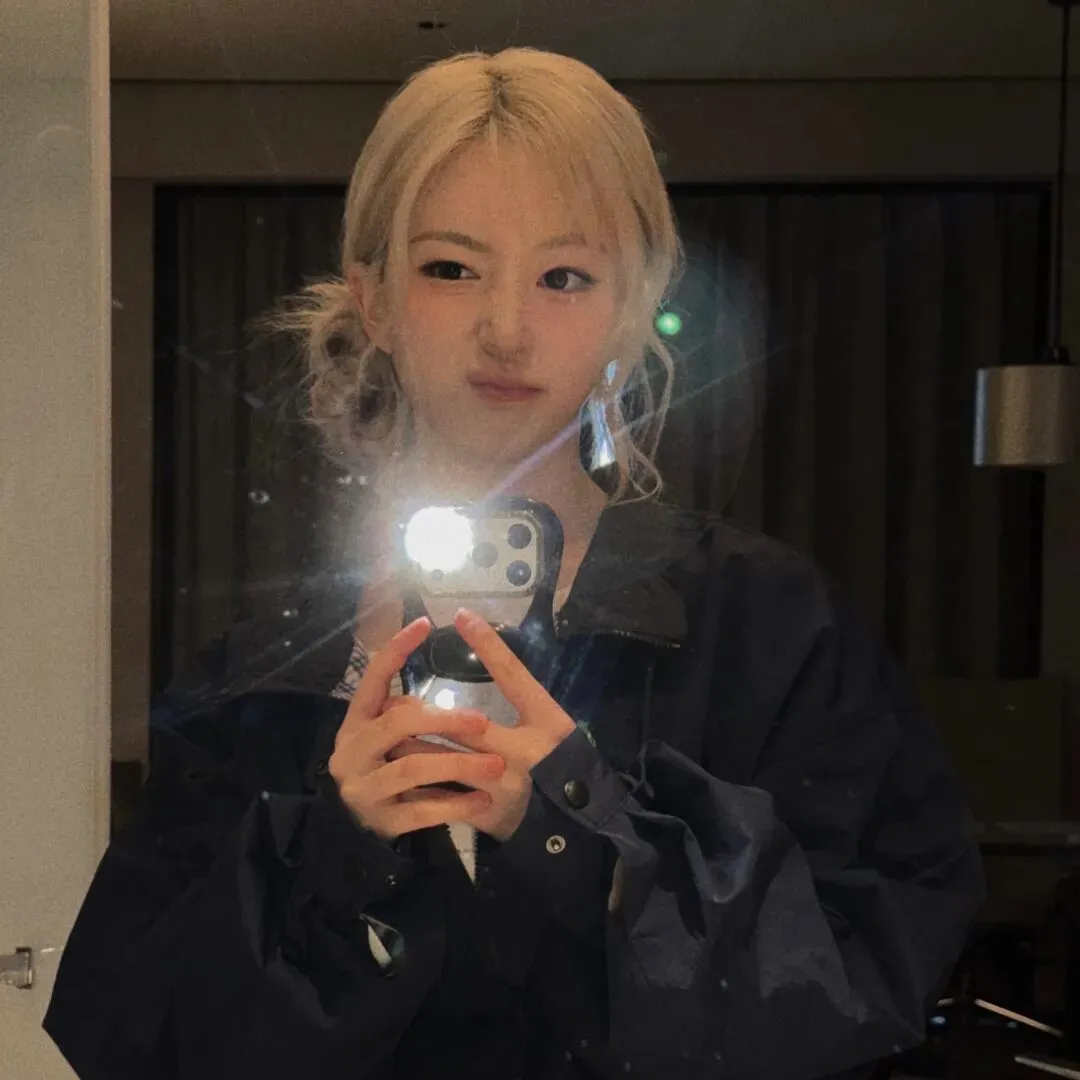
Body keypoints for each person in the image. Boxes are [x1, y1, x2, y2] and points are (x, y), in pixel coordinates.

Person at [44, 47, 983, 1080]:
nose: (506, 329)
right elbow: (130, 1032)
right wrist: (337, 854)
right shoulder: (264, 675)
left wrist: (575, 833)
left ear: (631, 308)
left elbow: (865, 981)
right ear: (374, 298)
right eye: (451, 269)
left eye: (564, 277)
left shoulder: (767, 627)